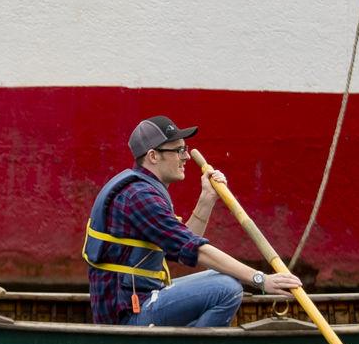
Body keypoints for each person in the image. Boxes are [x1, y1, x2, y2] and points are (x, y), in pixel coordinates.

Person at [83, 115, 302, 327]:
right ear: (153, 156)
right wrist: (261, 280)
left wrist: (207, 198)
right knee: (227, 288)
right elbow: (196, 249)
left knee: (221, 277)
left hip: (142, 300)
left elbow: (180, 246)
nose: (186, 157)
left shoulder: (143, 189)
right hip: (128, 317)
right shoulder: (139, 196)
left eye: (185, 149)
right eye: (179, 150)